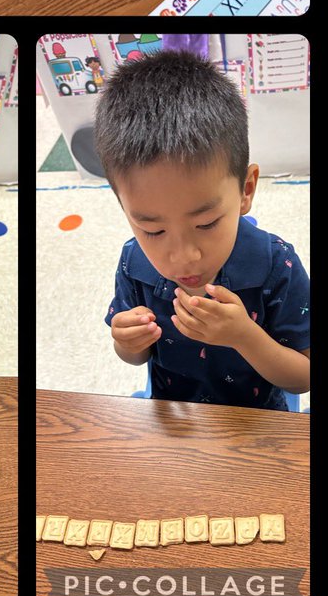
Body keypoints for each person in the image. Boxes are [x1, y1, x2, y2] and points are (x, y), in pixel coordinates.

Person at [96, 49, 310, 410]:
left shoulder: (277, 265)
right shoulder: (134, 261)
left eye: (206, 223)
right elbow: (136, 356)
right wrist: (127, 343)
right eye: (153, 230)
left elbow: (302, 377)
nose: (184, 257)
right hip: (175, 417)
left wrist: (245, 336)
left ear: (246, 189)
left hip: (258, 420)